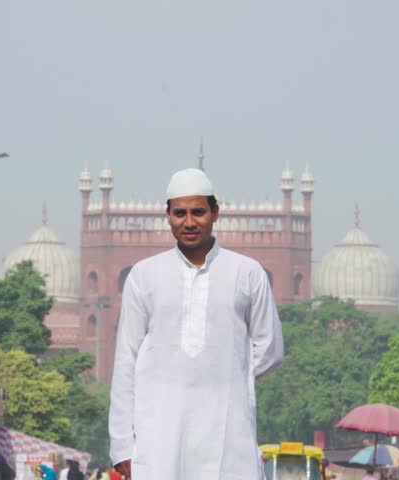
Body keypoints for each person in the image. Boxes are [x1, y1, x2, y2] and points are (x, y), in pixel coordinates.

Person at [108, 168, 285, 479]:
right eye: (180, 213)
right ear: (167, 215)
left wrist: (222, 371)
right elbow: (126, 361)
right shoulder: (145, 275)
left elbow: (270, 348)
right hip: (160, 432)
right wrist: (122, 444)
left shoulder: (247, 273)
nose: (189, 222)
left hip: (228, 430)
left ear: (215, 213)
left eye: (198, 212)